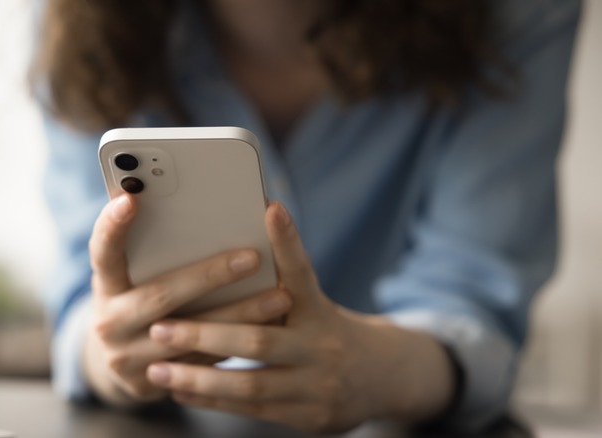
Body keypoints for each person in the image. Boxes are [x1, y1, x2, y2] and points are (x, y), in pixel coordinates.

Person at [32, 0, 580, 433]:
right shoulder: (82, 22)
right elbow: (85, 302)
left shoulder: (516, 14)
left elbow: (474, 302)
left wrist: (381, 368)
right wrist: (112, 354)